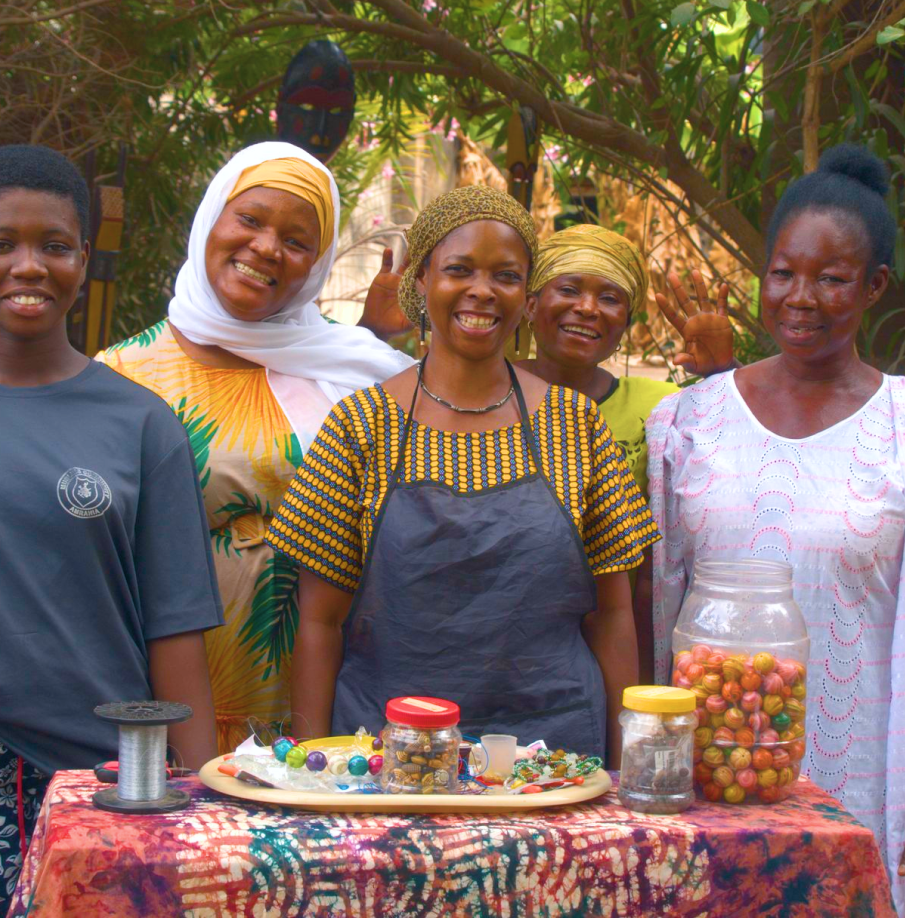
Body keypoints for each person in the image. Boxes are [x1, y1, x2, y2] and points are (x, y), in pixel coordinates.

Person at [0, 142, 413, 756]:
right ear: (210, 221)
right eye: (249, 220)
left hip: (316, 694)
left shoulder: (354, 369)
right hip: (112, 719)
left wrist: (376, 337)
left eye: (298, 239)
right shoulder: (127, 379)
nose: (266, 248)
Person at [0, 145, 222, 918]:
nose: (27, 266)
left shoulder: (142, 424)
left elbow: (175, 627)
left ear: (83, 258)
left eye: (53, 245)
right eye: (0, 243)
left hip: (104, 782)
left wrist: (209, 799)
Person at [264, 185, 660, 765]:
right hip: (386, 763)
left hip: (552, 763)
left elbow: (614, 615)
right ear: (422, 282)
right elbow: (319, 623)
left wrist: (628, 772)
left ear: (526, 296)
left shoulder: (575, 426)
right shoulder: (361, 426)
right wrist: (312, 766)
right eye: (458, 270)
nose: (481, 291)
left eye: (506, 275)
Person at [646, 144, 905, 907]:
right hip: (707, 783)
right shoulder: (687, 423)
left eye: (831, 279)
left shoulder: (901, 427)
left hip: (858, 775)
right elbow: (657, 604)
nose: (801, 297)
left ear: (874, 287)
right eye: (784, 273)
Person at [517, 224, 735, 679]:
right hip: (509, 638)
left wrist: (723, 375)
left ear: (625, 325)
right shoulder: (486, 390)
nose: (588, 308)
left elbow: (740, 466)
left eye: (610, 298)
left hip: (621, 645)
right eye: (570, 289)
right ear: (530, 304)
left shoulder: (661, 407)